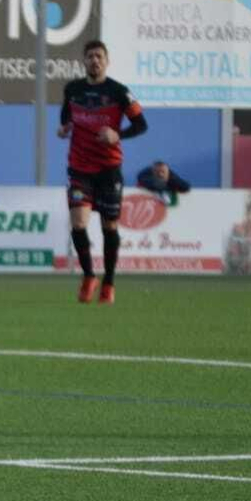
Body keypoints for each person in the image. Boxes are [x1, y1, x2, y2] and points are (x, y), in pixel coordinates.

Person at [58, 39, 147, 304]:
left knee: (109, 226)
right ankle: (88, 276)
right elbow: (66, 116)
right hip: (79, 169)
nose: (94, 60)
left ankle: (108, 282)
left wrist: (117, 134)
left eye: (99, 56)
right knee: (78, 224)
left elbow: (141, 125)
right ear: (84, 61)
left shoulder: (119, 92)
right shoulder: (73, 89)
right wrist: (64, 128)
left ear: (107, 61)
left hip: (109, 170)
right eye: (90, 56)